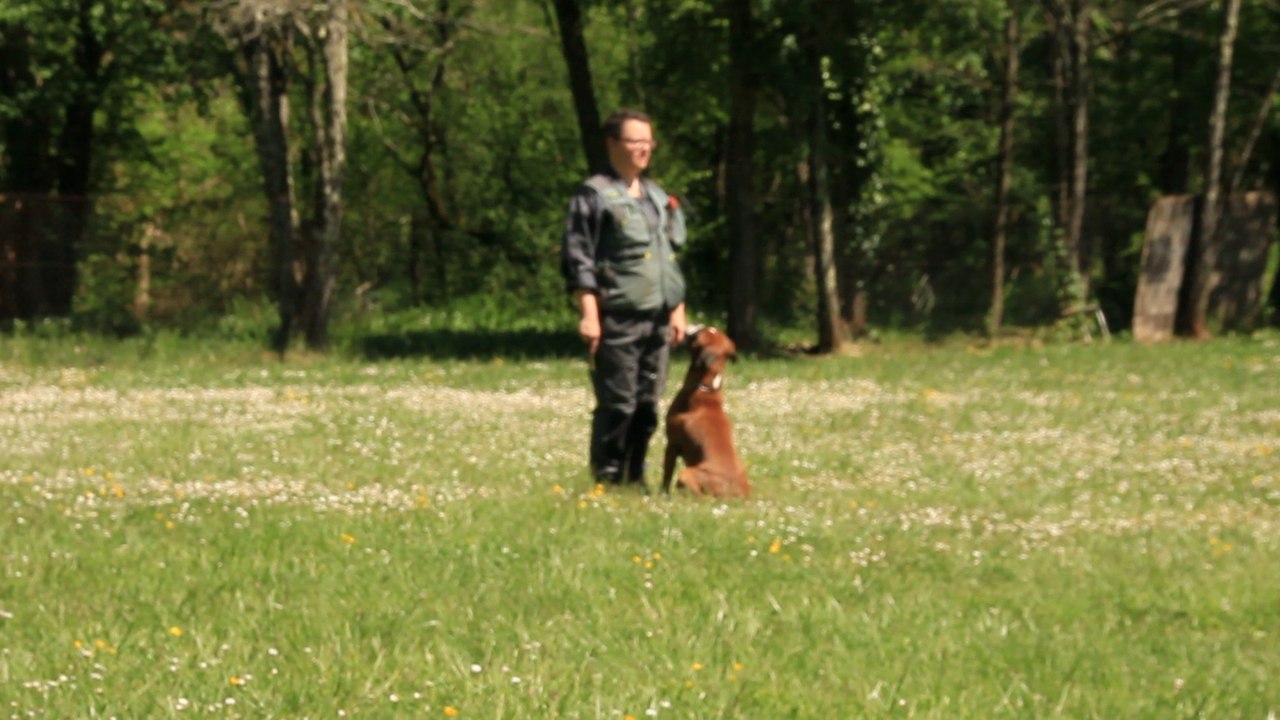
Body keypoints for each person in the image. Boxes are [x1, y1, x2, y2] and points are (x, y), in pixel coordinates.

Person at [561, 108, 689, 487]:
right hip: (617, 316)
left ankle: (636, 477)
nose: (644, 149)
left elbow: (670, 257)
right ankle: (608, 479)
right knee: (619, 405)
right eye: (635, 141)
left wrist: (678, 311)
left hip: (658, 318)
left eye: (648, 141)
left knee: (648, 405)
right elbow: (578, 257)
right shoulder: (593, 195)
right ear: (613, 144)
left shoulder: (657, 197)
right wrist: (589, 314)